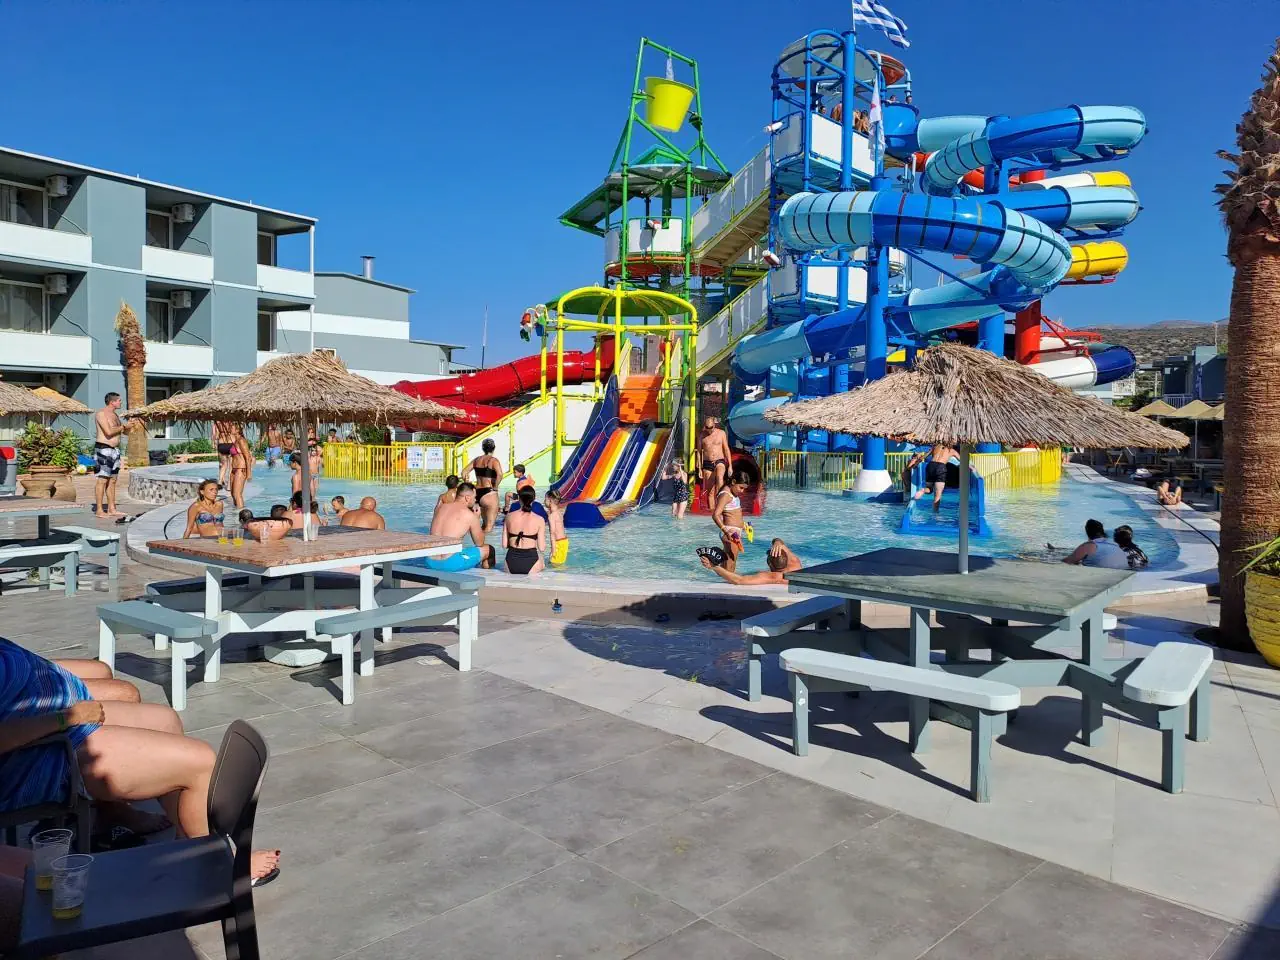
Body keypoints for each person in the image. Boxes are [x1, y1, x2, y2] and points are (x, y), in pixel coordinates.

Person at [0, 638, 280, 885]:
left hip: (51, 714)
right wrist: (66, 717)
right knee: (200, 761)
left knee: (166, 720)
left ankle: (186, 846)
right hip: (44, 750)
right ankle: (220, 866)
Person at [428, 482, 496, 570]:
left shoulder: (440, 508)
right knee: (490, 550)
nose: (475, 500)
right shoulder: (469, 515)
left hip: (430, 561)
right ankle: (486, 574)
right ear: (467, 498)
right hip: (449, 563)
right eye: (475, 497)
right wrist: (476, 518)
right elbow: (479, 543)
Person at [699, 538, 801, 585]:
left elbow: (739, 580)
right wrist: (777, 542)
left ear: (769, 564)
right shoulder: (795, 561)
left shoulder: (773, 577)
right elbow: (778, 541)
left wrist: (714, 567)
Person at [93, 392, 128, 519]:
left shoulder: (115, 415)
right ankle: (99, 510)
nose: (121, 402)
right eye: (119, 400)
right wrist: (123, 427)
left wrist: (130, 426)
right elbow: (108, 432)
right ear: (112, 402)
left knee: (112, 480)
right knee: (102, 480)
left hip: (115, 450)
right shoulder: (101, 414)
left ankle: (112, 509)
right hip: (104, 449)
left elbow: (124, 432)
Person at [463, 438, 504, 536]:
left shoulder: (477, 460)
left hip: (476, 493)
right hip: (489, 493)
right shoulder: (493, 460)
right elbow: (500, 474)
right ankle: (483, 544)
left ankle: (473, 542)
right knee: (489, 526)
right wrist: (495, 487)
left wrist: (468, 484)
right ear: (494, 448)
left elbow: (464, 472)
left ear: (483, 448)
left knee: (480, 525)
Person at [504, 487, 546, 575]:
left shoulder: (508, 517)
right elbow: (542, 548)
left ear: (519, 498)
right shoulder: (539, 519)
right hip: (531, 562)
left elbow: (504, 545)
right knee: (542, 559)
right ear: (534, 499)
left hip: (510, 562)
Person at [1060, 519, 1130, 568]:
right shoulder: (1115, 545)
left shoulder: (1089, 546)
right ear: (1102, 531)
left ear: (1087, 532)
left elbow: (1067, 562)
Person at [711, 474, 750, 562]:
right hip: (730, 532)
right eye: (741, 487)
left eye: (744, 489)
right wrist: (726, 531)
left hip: (734, 532)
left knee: (730, 563)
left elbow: (733, 514)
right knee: (730, 564)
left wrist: (743, 525)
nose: (742, 491)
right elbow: (715, 515)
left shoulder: (732, 494)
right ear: (733, 482)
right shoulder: (726, 495)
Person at [699, 416, 734, 509]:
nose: (709, 430)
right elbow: (699, 452)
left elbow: (726, 449)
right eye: (707, 427)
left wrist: (730, 466)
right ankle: (712, 511)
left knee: (719, 478)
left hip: (719, 461)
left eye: (711, 427)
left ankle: (721, 504)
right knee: (710, 492)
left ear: (714, 425)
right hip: (707, 463)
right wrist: (699, 469)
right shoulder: (702, 435)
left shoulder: (721, 433)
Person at [911, 444, 958, 512]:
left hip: (930, 466)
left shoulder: (935, 447)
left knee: (929, 489)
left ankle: (923, 490)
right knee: (937, 495)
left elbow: (923, 457)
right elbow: (963, 460)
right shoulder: (952, 450)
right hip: (941, 468)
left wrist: (916, 464)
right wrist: (971, 467)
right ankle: (935, 513)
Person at [228, 424, 252, 509]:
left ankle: (241, 512)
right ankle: (236, 512)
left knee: (237, 494)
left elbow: (248, 457)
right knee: (232, 494)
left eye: (231, 427)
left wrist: (249, 473)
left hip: (241, 469)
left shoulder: (241, 440)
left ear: (238, 430)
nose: (229, 428)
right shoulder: (236, 440)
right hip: (234, 469)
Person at [545, 491, 569, 566]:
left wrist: (553, 551)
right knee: (560, 563)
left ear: (550, 500)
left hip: (558, 543)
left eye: (545, 499)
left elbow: (552, 533)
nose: (544, 501)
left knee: (555, 565)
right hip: (564, 541)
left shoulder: (552, 516)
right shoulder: (559, 512)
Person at [213, 421, 235, 489]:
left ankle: (219, 482)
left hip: (221, 444)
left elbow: (215, 436)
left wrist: (214, 444)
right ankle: (229, 486)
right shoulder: (231, 423)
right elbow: (235, 433)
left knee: (223, 465)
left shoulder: (218, 423)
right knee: (231, 466)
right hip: (231, 444)